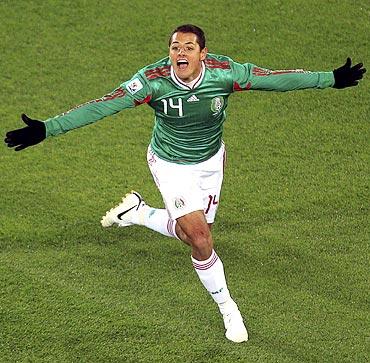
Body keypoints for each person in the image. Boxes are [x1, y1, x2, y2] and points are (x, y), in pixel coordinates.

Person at [4, 24, 366, 343]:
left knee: (192, 233)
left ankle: (139, 213)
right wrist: (48, 128)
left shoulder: (224, 73)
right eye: (175, 47)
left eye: (188, 47)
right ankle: (228, 309)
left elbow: (275, 79)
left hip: (210, 163)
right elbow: (103, 105)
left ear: (202, 53)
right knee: (202, 239)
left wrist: (329, 78)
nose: (180, 53)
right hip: (170, 163)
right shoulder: (152, 81)